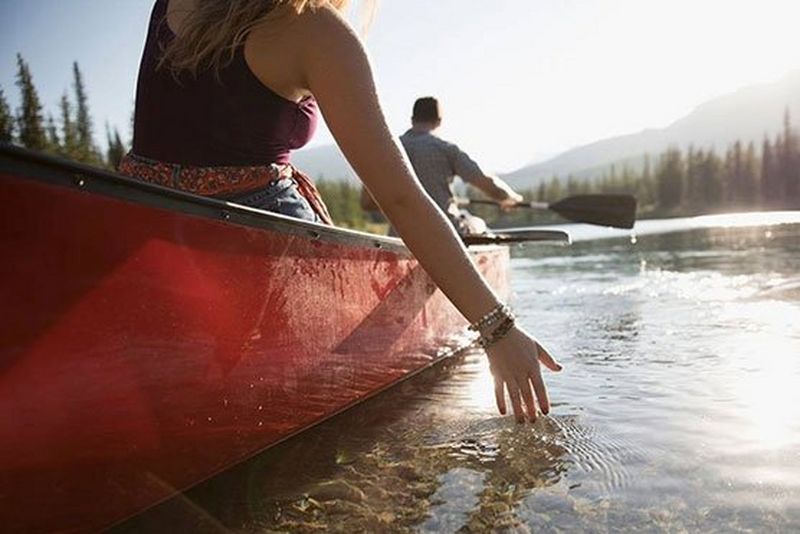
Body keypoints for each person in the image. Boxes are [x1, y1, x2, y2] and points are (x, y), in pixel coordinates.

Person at [120, 0, 562, 423]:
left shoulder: (172, 3)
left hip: (138, 218)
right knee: (469, 225)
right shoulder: (313, 28)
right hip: (262, 240)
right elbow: (401, 199)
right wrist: (498, 328)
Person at [399, 97, 524, 235]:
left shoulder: (390, 149)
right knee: (478, 223)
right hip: (445, 232)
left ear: (412, 119)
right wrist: (510, 198)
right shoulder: (446, 149)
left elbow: (370, 202)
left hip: (400, 232)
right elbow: (485, 182)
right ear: (439, 121)